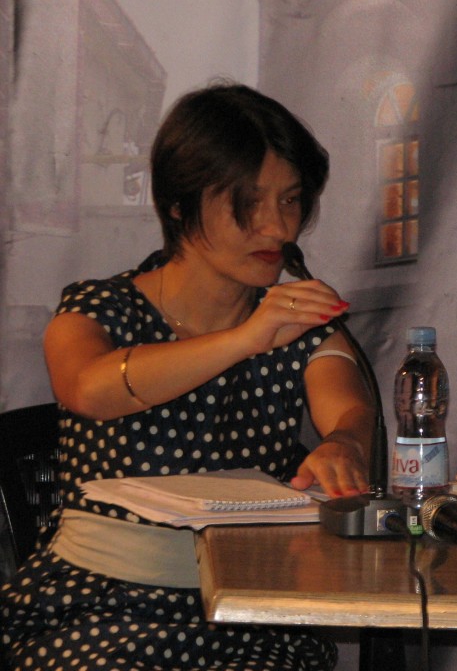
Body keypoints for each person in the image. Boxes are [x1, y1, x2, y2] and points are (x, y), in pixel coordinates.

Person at [1, 83, 373, 670]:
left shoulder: (297, 323)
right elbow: (88, 389)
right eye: (248, 202)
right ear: (179, 205)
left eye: (291, 200)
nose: (277, 228)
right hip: (102, 609)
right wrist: (244, 339)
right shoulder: (97, 307)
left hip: (247, 612)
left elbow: (349, 408)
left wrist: (344, 444)